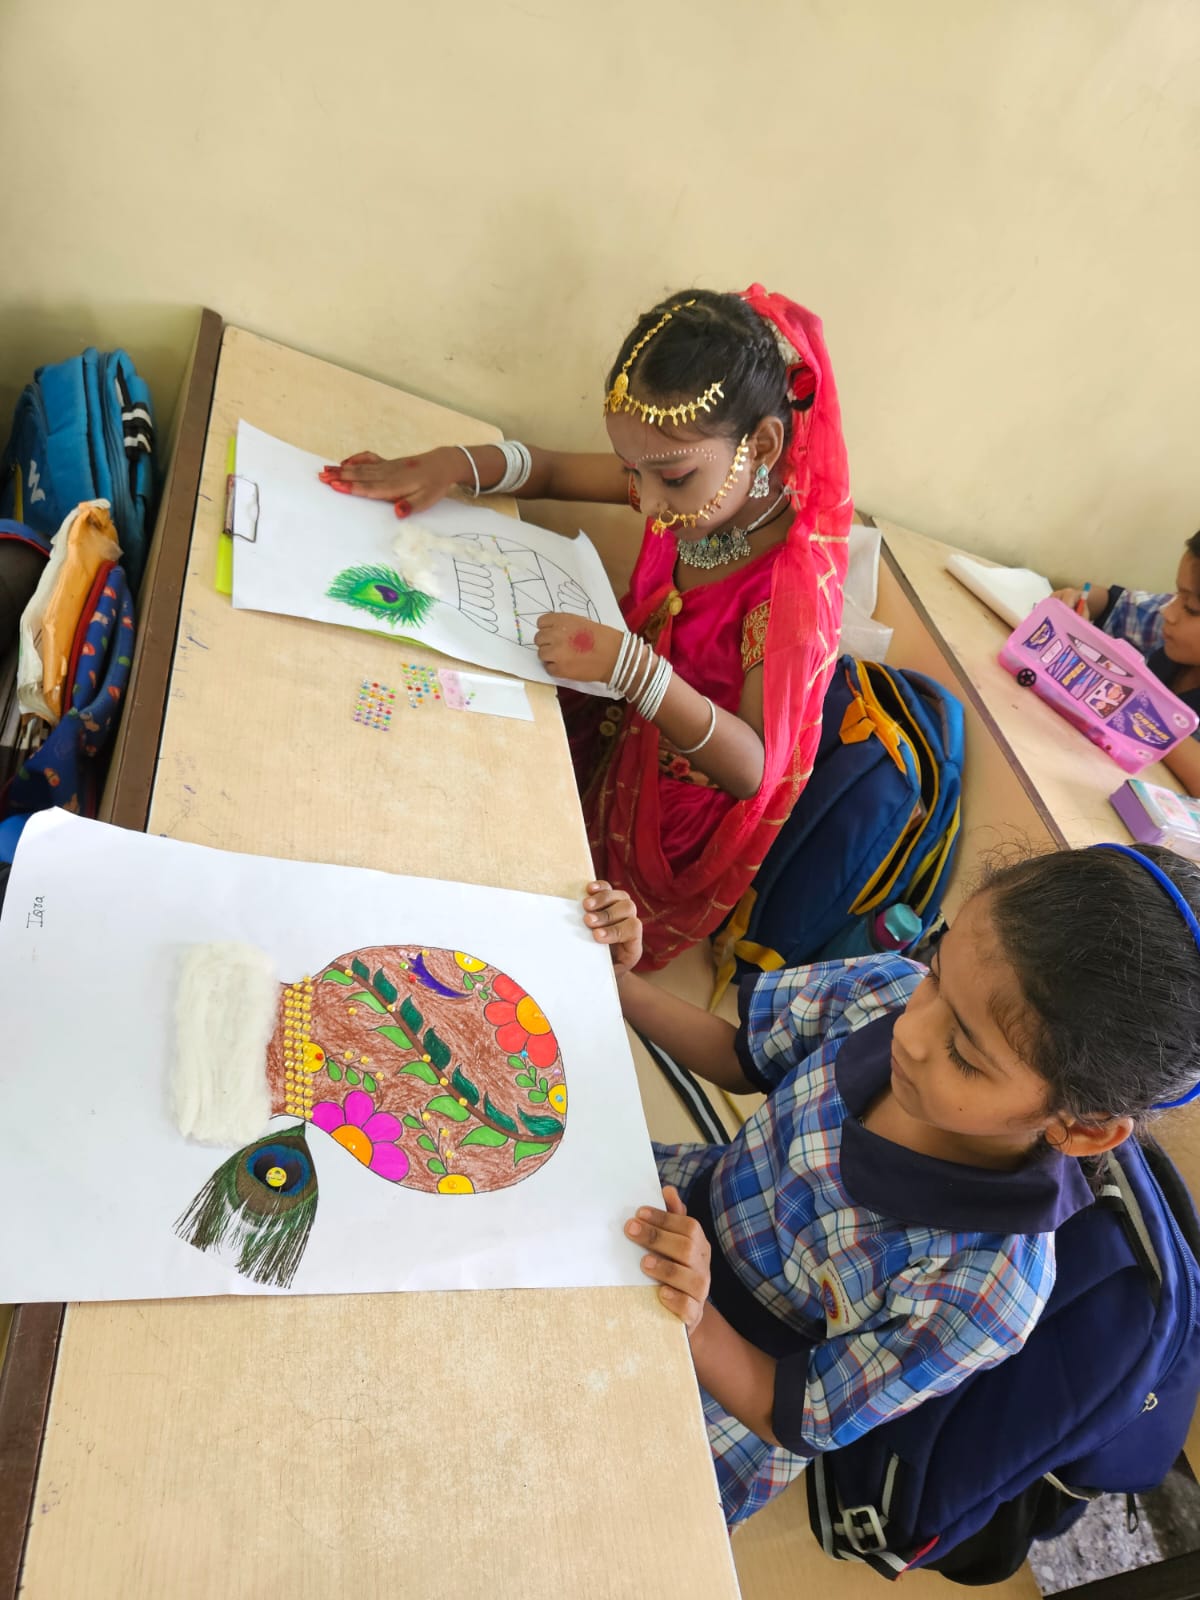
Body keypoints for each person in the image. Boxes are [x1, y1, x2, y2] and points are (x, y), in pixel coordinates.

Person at [612, 844, 1200, 1526]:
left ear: (1083, 1129)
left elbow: (790, 1413)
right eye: (937, 977)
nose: (913, 1034)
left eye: (964, 1055)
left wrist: (695, 1314)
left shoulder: (987, 1287)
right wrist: (616, 981)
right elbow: (740, 1057)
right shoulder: (888, 990)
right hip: (667, 1205)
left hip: (720, 1384)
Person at [320, 287, 851, 968]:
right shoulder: (685, 484)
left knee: (546, 935)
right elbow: (550, 470)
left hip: (663, 816)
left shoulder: (788, 594)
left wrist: (632, 668)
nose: (648, 503)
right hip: (608, 716)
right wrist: (453, 464)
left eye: (672, 479)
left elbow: (753, 769)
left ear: (763, 445)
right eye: (633, 473)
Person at [1053, 530, 1200, 793]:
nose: (1169, 612)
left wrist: (1136, 708)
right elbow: (1115, 604)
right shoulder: (1170, 623)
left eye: (1190, 607)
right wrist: (1080, 598)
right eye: (1178, 594)